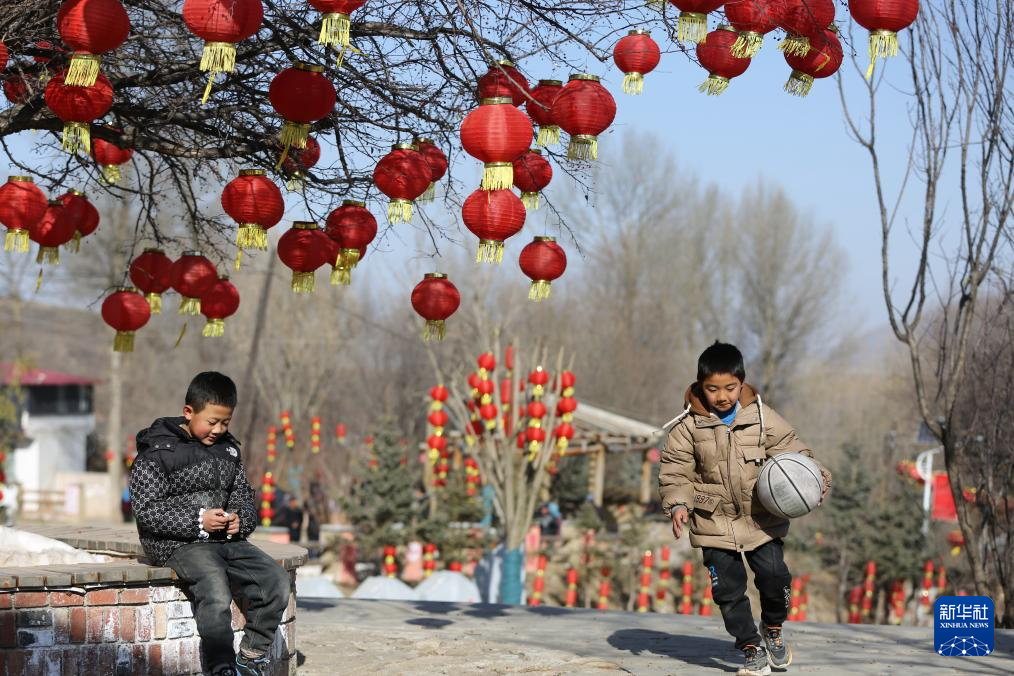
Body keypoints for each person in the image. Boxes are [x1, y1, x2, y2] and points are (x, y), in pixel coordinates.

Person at [658, 342, 831, 676]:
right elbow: (675, 471)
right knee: (728, 590)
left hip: (761, 518)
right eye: (712, 389)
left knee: (774, 576)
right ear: (699, 386)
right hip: (713, 522)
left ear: (742, 383)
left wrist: (816, 478)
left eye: (730, 388)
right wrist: (678, 503)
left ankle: (773, 628)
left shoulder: (763, 418)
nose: (722, 396)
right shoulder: (687, 428)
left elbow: (795, 451)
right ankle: (750, 647)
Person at [129, 372, 290, 676]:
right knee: (215, 588)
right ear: (188, 412)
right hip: (176, 544)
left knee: (276, 581)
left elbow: (243, 496)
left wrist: (239, 522)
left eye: (225, 423)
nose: (218, 429)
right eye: (212, 422)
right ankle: (222, 666)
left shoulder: (229, 451)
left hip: (225, 541)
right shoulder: (157, 452)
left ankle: (252, 654)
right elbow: (147, 511)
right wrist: (197, 520)